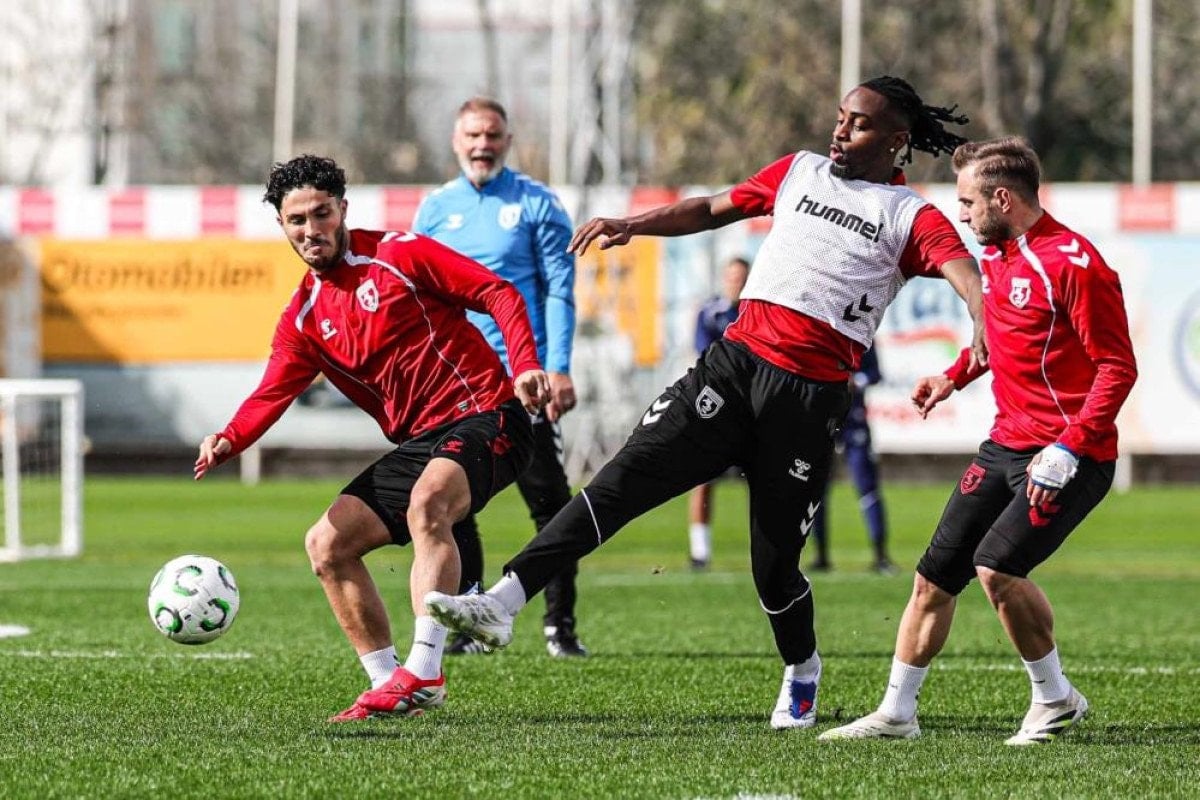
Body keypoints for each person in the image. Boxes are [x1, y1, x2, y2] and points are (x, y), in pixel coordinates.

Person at [425, 75, 986, 731]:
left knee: (773, 569)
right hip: (733, 369)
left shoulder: (908, 215)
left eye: (858, 123)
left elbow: (965, 272)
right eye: (839, 116)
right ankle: (501, 602)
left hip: (807, 402)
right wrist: (632, 224)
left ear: (895, 140)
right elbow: (713, 208)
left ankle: (802, 670)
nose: (840, 130)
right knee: (620, 481)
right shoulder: (800, 172)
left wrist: (981, 321)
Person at [194, 154, 550, 722]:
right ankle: (389, 683)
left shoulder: (399, 255)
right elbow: (271, 392)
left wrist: (526, 364)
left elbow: (498, 293)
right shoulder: (304, 317)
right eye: (297, 220)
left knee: (427, 503)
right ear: (282, 225)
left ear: (343, 210)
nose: (311, 230)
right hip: (420, 443)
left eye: (322, 214)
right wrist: (229, 438)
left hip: (487, 413)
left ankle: (425, 671)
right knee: (326, 545)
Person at [819, 136, 1137, 744]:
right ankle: (897, 713)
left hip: (1072, 456)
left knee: (996, 568)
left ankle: (1055, 699)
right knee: (933, 577)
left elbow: (1117, 368)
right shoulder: (997, 255)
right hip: (1005, 445)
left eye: (967, 202)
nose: (961, 215)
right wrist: (954, 375)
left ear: (1002, 199)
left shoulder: (1074, 264)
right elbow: (998, 342)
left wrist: (1069, 447)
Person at [412, 97, 588, 658]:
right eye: (473, 135)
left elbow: (559, 289)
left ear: (508, 141)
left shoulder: (536, 203)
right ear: (456, 141)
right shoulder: (435, 210)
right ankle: (467, 617)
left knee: (551, 504)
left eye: (492, 135)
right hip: (457, 384)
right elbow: (419, 299)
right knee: (452, 502)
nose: (482, 145)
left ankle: (559, 625)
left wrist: (557, 365)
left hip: (521, 382)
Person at [808, 343, 897, 574]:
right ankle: (820, 555)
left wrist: (856, 381)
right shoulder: (819, 332)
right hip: (824, 418)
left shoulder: (862, 332)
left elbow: (874, 373)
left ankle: (880, 555)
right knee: (816, 488)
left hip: (854, 419)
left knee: (867, 486)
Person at [687, 256, 750, 569]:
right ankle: (700, 551)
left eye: (742, 277)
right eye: (732, 277)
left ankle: (764, 551)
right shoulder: (711, 312)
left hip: (752, 409)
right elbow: (705, 354)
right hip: (719, 406)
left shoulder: (757, 310)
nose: (736, 282)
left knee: (762, 481)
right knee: (703, 479)